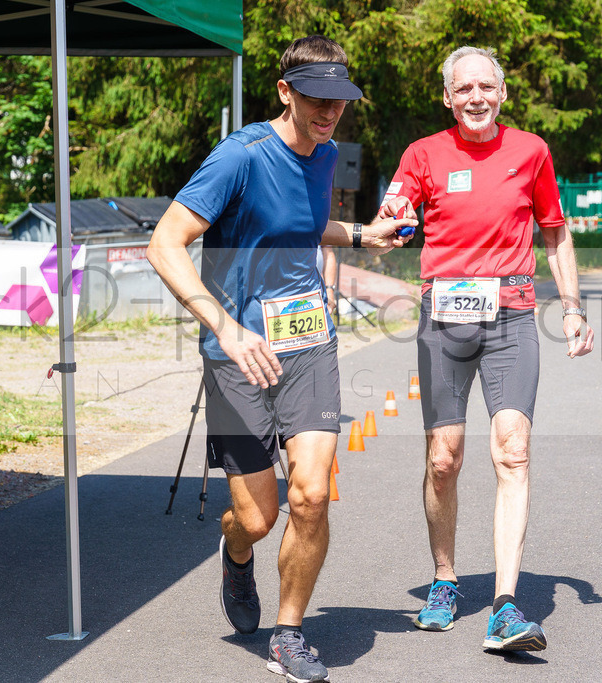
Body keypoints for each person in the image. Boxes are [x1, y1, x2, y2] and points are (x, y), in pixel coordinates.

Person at [146, 35, 415, 683]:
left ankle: (290, 633)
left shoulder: (323, 155)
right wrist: (226, 326)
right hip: (237, 352)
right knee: (260, 517)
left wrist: (361, 234)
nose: (330, 113)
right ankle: (235, 552)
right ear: (285, 91)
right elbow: (166, 242)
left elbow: (300, 223)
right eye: (317, 98)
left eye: (340, 101)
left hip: (309, 342)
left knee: (313, 494)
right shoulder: (240, 156)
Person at [378, 45, 594, 653]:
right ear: (447, 98)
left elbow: (555, 233)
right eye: (463, 89)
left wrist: (572, 308)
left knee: (513, 453)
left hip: (513, 320)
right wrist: (378, 232)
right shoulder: (423, 154)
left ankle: (504, 604)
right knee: (444, 459)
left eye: (486, 87)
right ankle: (445, 579)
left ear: (502, 95)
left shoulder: (531, 152)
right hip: (444, 321)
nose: (476, 97)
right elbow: (389, 220)